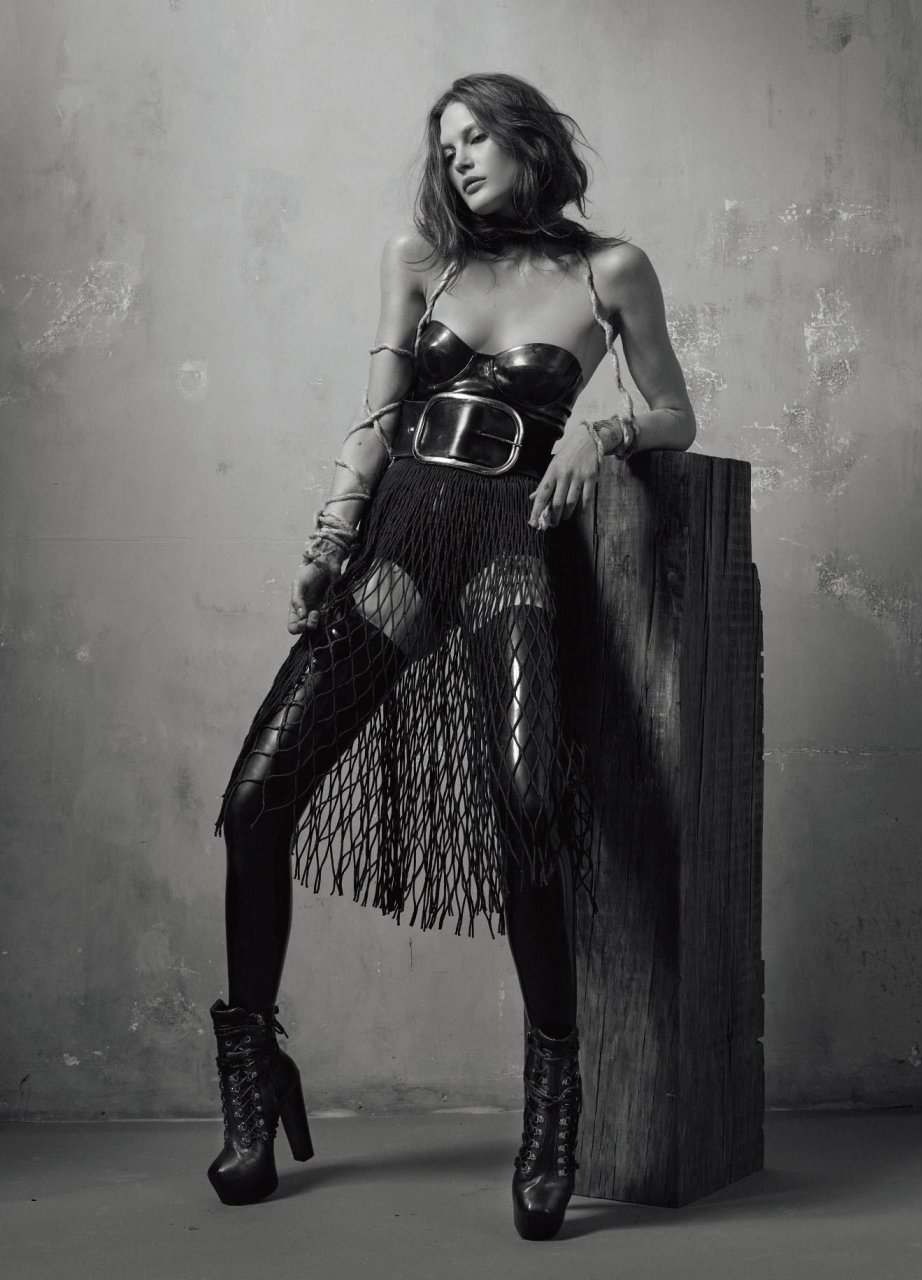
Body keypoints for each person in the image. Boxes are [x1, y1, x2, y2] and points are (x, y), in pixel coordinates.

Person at [205, 72, 695, 1241]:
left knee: (528, 807)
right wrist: (329, 540)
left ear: (528, 140)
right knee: (257, 796)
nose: (458, 157)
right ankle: (253, 1074)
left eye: (477, 136)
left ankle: (552, 1103)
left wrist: (600, 429)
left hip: (507, 552)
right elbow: (378, 418)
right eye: (446, 144)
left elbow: (674, 411)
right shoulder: (422, 259)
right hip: (401, 546)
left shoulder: (610, 269)